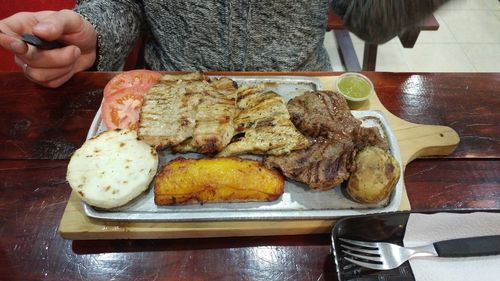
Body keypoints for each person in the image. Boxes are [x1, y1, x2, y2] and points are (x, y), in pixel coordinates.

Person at [0, 0, 448, 88]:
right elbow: (121, 6)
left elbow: (367, 17)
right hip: (172, 97)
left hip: (302, 92)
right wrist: (92, 34)